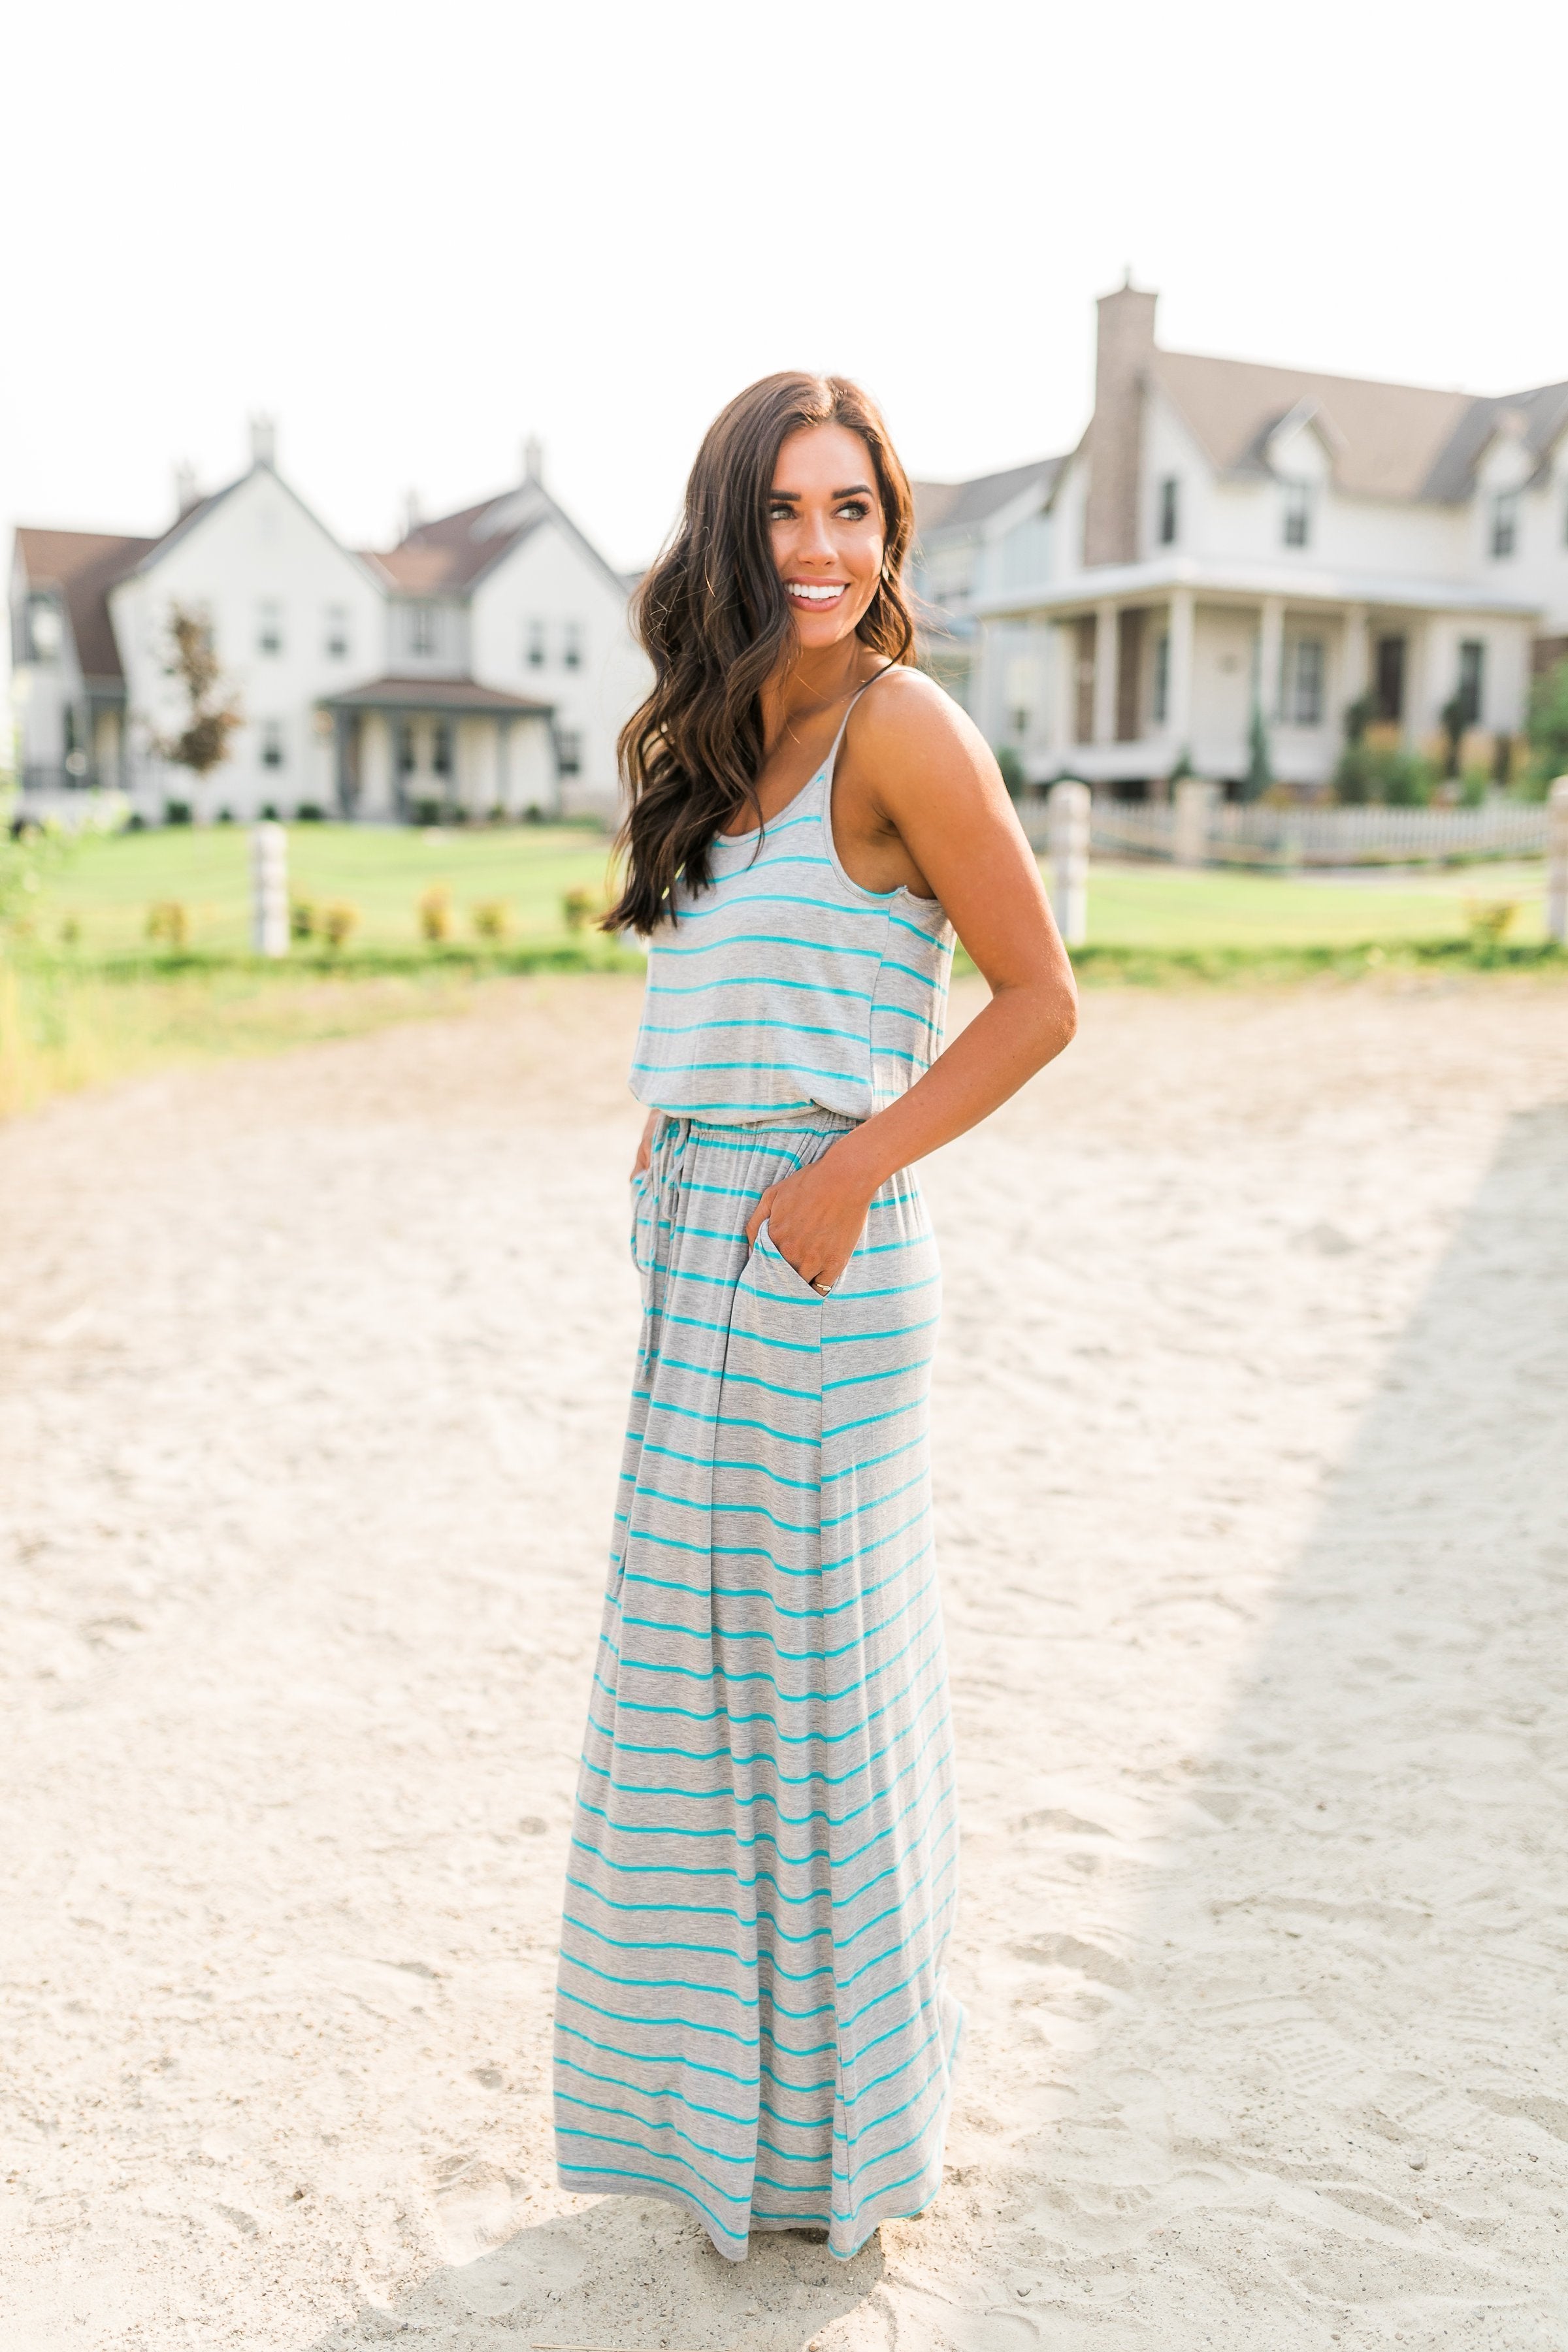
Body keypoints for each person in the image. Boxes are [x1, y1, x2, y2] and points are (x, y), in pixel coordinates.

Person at [552, 372, 1077, 2262]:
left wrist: (846, 1170)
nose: (822, 548)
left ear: (891, 533)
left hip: (820, 1253)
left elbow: (1039, 1000)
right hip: (703, 1245)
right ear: (729, 529)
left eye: (854, 509)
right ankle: (737, 2140)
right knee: (701, 1697)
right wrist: (670, 1126)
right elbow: (731, 982)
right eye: (785, 509)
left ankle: (845, 2142)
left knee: (816, 1695)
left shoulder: (902, 726)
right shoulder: (715, 742)